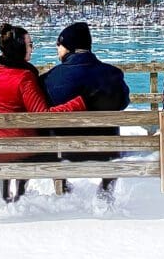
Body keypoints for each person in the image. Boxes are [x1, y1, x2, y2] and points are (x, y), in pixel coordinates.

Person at [0, 23, 86, 202]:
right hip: (20, 148)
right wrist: (77, 103)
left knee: (9, 137)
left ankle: (5, 195)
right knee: (50, 145)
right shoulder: (24, 77)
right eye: (29, 44)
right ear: (19, 47)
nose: (32, 48)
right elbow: (42, 115)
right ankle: (22, 194)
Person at [40, 21, 130, 197]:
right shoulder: (113, 74)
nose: (57, 49)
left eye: (59, 45)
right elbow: (123, 103)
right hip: (107, 152)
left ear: (69, 46)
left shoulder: (48, 79)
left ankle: (62, 187)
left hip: (63, 153)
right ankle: (105, 189)